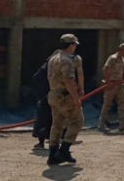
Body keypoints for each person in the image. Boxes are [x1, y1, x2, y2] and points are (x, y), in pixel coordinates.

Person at [46, 34, 84, 165]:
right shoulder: (66, 60)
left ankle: (52, 154)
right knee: (77, 122)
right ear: (71, 45)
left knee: (57, 124)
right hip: (64, 96)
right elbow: (68, 81)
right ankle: (64, 150)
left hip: (53, 94)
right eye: (74, 45)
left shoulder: (53, 58)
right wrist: (76, 99)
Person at [99, 43, 124, 132]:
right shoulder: (113, 58)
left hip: (119, 85)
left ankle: (122, 124)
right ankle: (101, 125)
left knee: (122, 104)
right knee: (107, 104)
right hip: (111, 85)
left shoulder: (123, 60)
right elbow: (105, 69)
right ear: (121, 50)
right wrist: (108, 81)